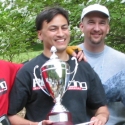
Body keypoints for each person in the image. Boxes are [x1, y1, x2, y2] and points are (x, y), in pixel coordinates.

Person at [8, 7, 109, 125]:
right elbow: (11, 116)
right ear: (40, 34)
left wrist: (101, 117)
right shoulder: (29, 70)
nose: (61, 34)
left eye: (64, 28)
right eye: (53, 29)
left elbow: (101, 107)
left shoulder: (82, 67)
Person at [78, 4, 125, 125]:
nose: (97, 28)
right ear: (82, 27)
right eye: (91, 22)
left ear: (108, 28)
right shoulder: (69, 57)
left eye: (102, 23)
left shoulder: (122, 61)